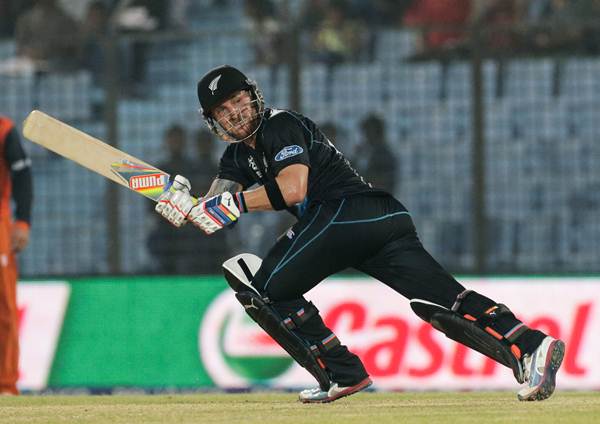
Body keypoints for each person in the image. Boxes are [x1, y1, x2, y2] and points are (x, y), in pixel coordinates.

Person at [153, 65, 564, 403]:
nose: (235, 114)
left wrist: (230, 205)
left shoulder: (282, 126)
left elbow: (292, 190)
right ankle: (531, 345)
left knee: (266, 289)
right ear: (214, 121)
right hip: (380, 220)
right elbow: (217, 208)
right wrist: (186, 206)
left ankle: (342, 372)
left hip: (345, 212)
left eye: (238, 101)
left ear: (254, 95)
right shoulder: (236, 155)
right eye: (224, 111)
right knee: (440, 304)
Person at [0, 116, 33, 395]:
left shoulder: (4, 129)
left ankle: (5, 386)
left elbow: (22, 176)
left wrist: (22, 221)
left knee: (4, 310)